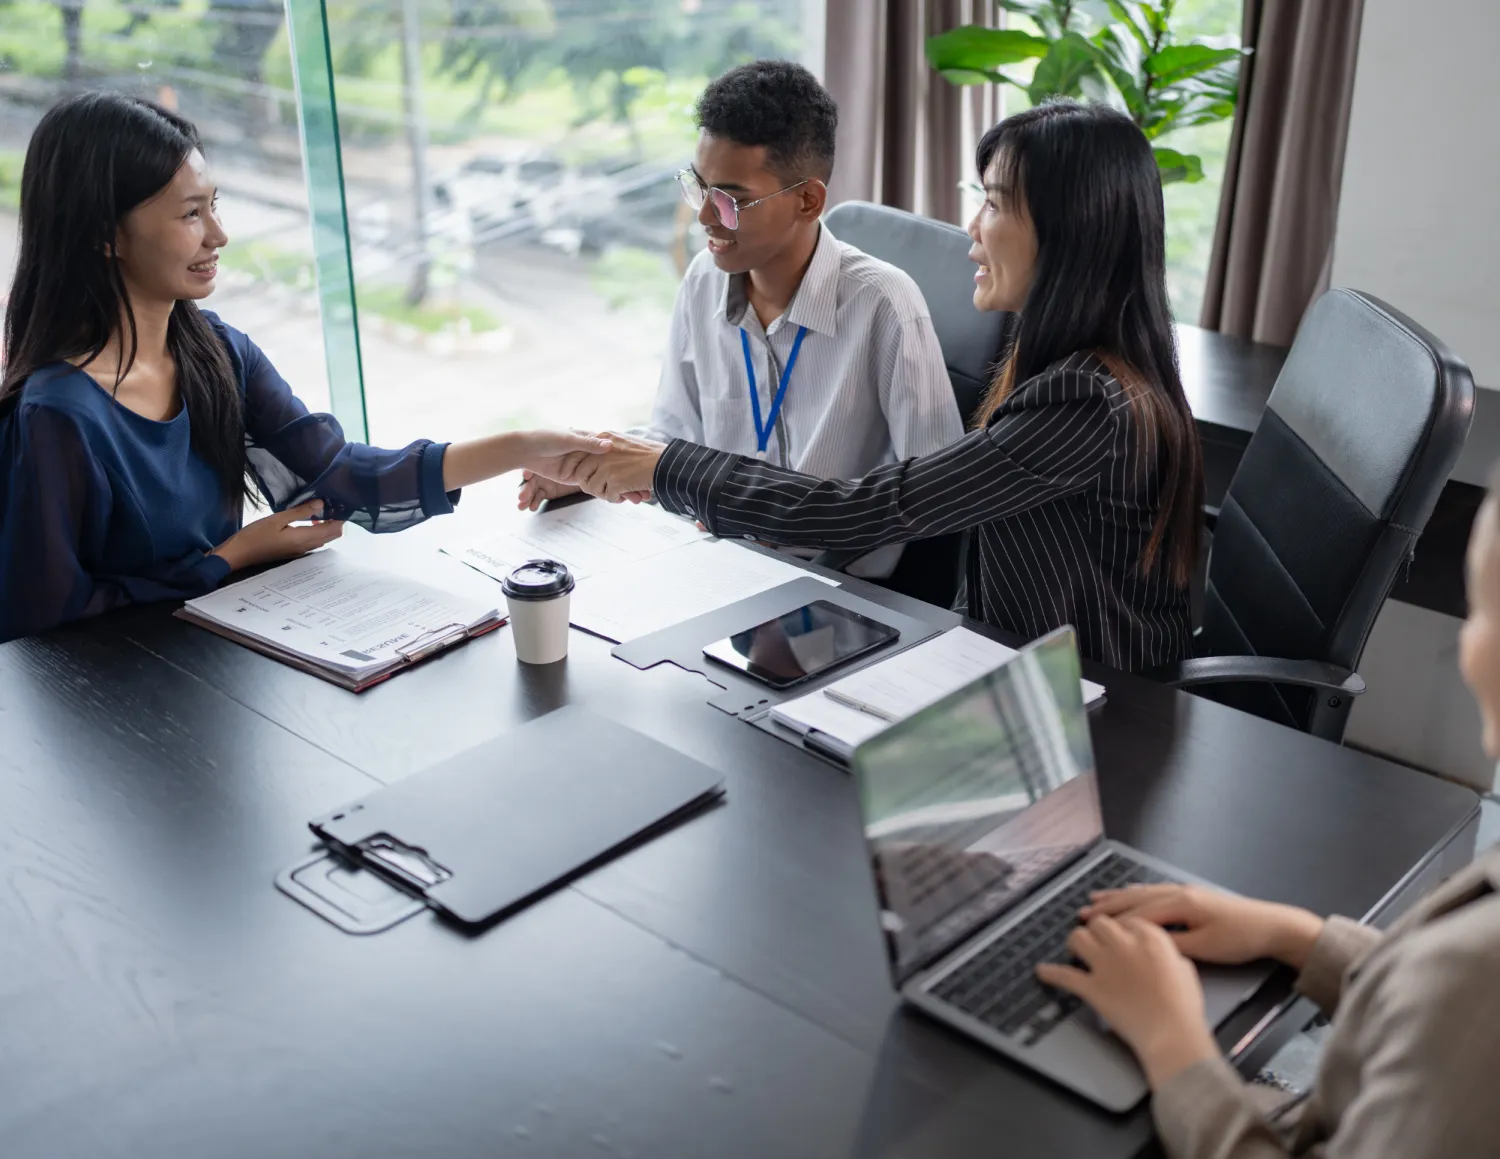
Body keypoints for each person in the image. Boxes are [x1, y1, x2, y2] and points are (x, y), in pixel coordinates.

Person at [549, 100, 1205, 673]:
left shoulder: (1086, 403)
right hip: (1006, 652)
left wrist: (667, 467)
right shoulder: (1067, 363)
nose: (972, 230)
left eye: (995, 204)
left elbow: (861, 508)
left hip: (1097, 710)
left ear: (1073, 231)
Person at [0, 92, 609, 644]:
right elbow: (46, 616)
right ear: (107, 237)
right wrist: (231, 557)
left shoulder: (216, 351)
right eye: (191, 215)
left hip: (220, 660)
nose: (220, 235)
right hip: (119, 702)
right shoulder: (58, 413)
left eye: (215, 206)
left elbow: (347, 475)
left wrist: (525, 444)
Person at [1026, 474, 1500, 1158]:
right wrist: (1298, 936)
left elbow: (1461, 1003)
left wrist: (1173, 1043)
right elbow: (1441, 1004)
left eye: (1480, 609)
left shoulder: (1474, 989)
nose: (1462, 646)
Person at [518, 59, 963, 578]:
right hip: (718, 564)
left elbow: (936, 498)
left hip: (832, 587)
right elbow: (675, 434)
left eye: (731, 199)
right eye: (698, 187)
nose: (706, 216)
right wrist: (590, 464)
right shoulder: (704, 279)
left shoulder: (883, 304)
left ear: (807, 200)